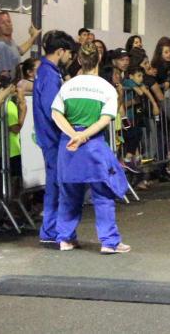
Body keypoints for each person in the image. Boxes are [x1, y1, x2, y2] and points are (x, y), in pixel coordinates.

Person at [51, 42, 131, 254]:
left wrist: (73, 135)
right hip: (93, 144)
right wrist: (84, 135)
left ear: (79, 60)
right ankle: (109, 242)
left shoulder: (67, 86)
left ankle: (65, 238)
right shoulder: (106, 88)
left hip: (68, 145)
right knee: (103, 195)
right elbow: (106, 118)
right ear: (99, 60)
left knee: (69, 194)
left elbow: (56, 114)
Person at [32, 30, 76, 245]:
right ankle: (55, 231)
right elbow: (53, 110)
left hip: (49, 138)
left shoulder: (45, 71)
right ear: (60, 51)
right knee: (59, 186)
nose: (71, 57)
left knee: (54, 186)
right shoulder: (50, 75)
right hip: (53, 138)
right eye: (69, 53)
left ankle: (50, 230)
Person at [0, 11, 41, 78]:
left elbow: (20, 51)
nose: (7, 25)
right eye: (3, 23)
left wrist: (33, 36)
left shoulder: (10, 42)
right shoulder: (1, 46)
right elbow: (4, 75)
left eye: (8, 21)